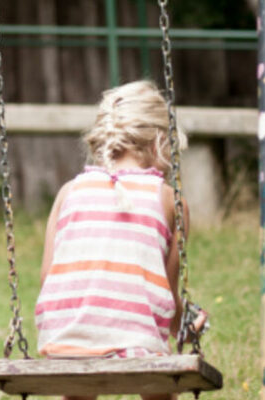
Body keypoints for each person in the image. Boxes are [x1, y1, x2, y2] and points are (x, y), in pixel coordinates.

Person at [34, 80, 206, 400]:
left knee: (78, 379)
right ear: (159, 141)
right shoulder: (170, 200)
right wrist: (187, 326)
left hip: (64, 342)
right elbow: (166, 292)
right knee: (157, 381)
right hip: (136, 345)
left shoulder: (69, 192)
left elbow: (48, 277)